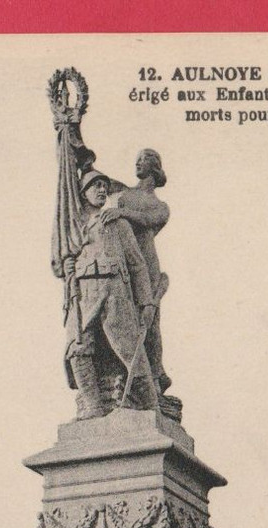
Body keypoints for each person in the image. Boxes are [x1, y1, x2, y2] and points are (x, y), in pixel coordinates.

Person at [63, 169, 159, 419]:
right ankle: (93, 406)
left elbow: (137, 264)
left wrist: (146, 303)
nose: (102, 190)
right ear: (83, 194)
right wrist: (68, 266)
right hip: (84, 296)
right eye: (95, 186)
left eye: (104, 185)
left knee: (128, 349)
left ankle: (150, 405)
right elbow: (67, 260)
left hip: (114, 292)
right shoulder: (75, 229)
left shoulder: (117, 223)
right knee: (78, 348)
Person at [101, 149, 172, 396]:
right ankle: (123, 374)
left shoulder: (161, 206)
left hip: (146, 264)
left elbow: (148, 220)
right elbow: (94, 178)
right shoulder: (123, 191)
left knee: (149, 323)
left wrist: (122, 213)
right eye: (137, 159)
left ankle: (155, 376)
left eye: (144, 159)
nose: (138, 162)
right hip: (121, 260)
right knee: (120, 316)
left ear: (154, 167)